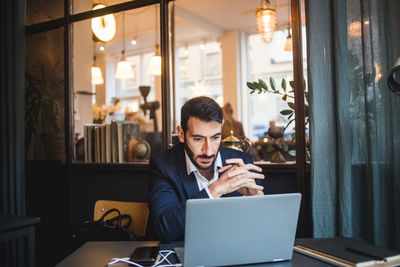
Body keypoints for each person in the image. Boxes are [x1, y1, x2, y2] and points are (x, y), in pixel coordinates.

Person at [148, 96, 265, 242]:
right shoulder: (163, 165)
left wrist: (258, 201)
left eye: (215, 137)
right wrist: (214, 190)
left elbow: (260, 230)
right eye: (198, 139)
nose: (208, 151)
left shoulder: (242, 161)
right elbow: (165, 230)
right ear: (181, 134)